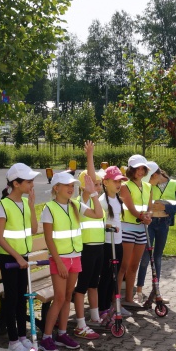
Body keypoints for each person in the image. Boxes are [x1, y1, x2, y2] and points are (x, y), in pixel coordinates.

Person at [39, 165, 103, 351]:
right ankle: (46, 337)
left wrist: (93, 194)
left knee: (68, 297)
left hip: (76, 257)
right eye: (66, 185)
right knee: (59, 298)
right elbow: (49, 239)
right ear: (56, 187)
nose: (70, 188)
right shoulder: (49, 208)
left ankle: (61, 333)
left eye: (73, 186)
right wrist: (58, 261)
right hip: (60, 260)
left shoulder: (75, 205)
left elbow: (98, 214)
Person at [0, 163, 40, 351]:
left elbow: (34, 230)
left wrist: (31, 205)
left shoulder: (24, 203)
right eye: (28, 181)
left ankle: (22, 336)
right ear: (16, 183)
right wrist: (17, 257)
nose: (32, 184)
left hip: (23, 259)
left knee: (23, 300)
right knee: (12, 301)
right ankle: (13, 341)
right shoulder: (4, 204)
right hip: (10, 260)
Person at [135, 163, 176, 302]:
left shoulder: (174, 184)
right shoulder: (148, 186)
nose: (147, 183)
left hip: (164, 224)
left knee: (157, 257)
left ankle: (156, 292)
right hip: (150, 223)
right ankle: (138, 291)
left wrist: (166, 207)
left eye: (149, 179)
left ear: (156, 175)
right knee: (146, 256)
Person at [71, 142, 105, 340]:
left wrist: (94, 193)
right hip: (85, 249)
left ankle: (95, 318)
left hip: (98, 247)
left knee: (94, 284)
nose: (97, 187)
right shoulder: (79, 202)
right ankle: (80, 324)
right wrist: (90, 156)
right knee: (82, 286)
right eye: (94, 184)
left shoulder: (94, 200)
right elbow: (90, 177)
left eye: (99, 184)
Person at [118, 155, 153, 305]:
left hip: (142, 229)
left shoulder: (148, 186)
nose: (140, 171)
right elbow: (131, 208)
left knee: (134, 266)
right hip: (127, 228)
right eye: (137, 168)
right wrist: (142, 216)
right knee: (123, 266)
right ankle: (116, 299)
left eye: (142, 168)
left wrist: (149, 216)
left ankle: (129, 299)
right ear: (131, 170)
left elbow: (150, 207)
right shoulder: (125, 186)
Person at [96, 166, 127, 320]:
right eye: (115, 181)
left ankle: (110, 305)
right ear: (105, 182)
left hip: (118, 243)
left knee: (115, 275)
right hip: (108, 244)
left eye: (120, 181)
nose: (118, 184)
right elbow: (101, 223)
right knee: (107, 276)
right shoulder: (102, 201)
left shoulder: (118, 200)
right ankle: (102, 308)